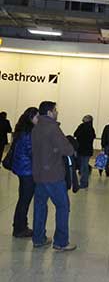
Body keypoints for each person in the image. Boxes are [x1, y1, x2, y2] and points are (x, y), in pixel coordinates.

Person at [31, 101, 76, 251]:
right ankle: (61, 242)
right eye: (55, 110)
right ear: (49, 112)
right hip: (53, 175)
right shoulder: (53, 128)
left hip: (39, 174)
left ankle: (38, 238)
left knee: (40, 207)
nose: (57, 112)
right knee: (63, 206)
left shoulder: (36, 128)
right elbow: (67, 149)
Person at [12, 107, 39, 238]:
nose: (38, 120)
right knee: (24, 200)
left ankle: (19, 226)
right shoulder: (29, 133)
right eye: (37, 117)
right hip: (27, 170)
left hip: (22, 169)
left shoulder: (22, 131)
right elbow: (32, 152)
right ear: (31, 118)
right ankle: (20, 229)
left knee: (22, 199)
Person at [74, 115, 96, 188]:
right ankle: (84, 182)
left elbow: (76, 134)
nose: (83, 118)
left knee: (83, 166)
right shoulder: (91, 128)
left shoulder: (82, 127)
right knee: (83, 166)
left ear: (88, 119)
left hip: (82, 149)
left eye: (85, 117)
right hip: (86, 150)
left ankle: (84, 183)